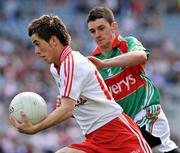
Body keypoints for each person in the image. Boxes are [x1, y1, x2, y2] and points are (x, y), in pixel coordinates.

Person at [9, 15, 152, 153]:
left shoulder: (72, 63)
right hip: (94, 137)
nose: (36, 51)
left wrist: (35, 128)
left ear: (53, 41)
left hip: (118, 134)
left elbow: (66, 110)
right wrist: (70, 105)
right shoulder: (56, 68)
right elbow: (76, 106)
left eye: (37, 44)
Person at [87, 7, 180, 153]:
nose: (97, 34)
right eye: (93, 31)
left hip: (147, 113)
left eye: (101, 28)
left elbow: (141, 56)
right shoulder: (92, 63)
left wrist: (105, 64)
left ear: (113, 26)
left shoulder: (127, 43)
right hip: (125, 125)